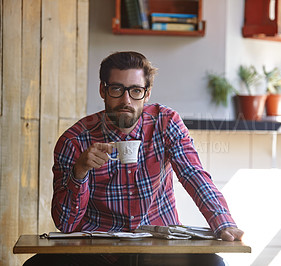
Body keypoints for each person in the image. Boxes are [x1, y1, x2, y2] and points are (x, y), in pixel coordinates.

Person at [24, 51, 243, 265]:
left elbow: (193, 175)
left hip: (160, 247)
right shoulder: (74, 141)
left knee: (213, 263)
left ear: (147, 93)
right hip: (98, 251)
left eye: (136, 90)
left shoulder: (166, 123)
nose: (126, 101)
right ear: (103, 90)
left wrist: (223, 222)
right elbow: (66, 225)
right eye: (117, 89)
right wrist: (80, 171)